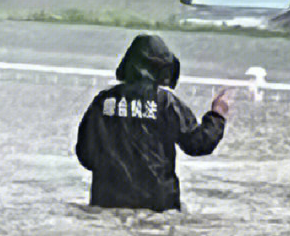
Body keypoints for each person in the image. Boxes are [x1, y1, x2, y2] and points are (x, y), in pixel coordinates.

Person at [75, 34, 229, 212]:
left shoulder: (103, 103)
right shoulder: (166, 103)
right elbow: (198, 144)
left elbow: (85, 154)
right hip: (158, 206)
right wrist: (218, 114)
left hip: (108, 202)